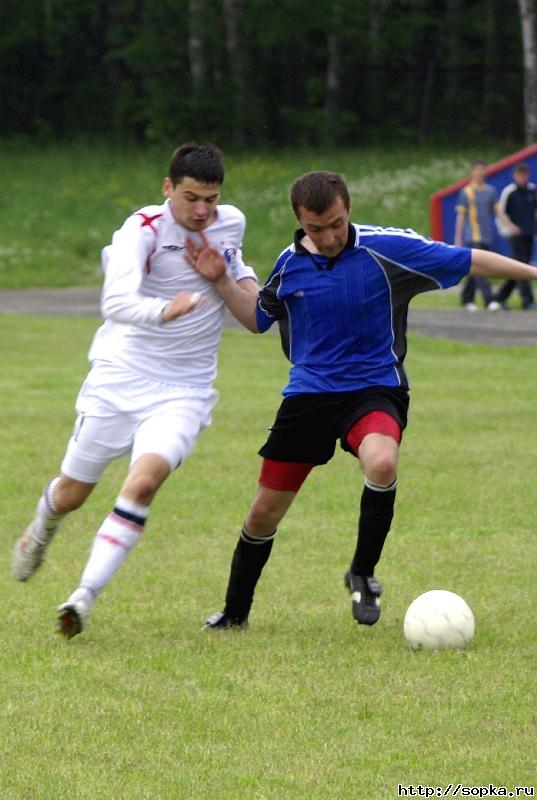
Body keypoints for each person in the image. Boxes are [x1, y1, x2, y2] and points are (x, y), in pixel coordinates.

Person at [185, 170, 537, 630]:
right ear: (300, 221)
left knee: (382, 463)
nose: (329, 236)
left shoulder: (385, 249)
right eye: (316, 228)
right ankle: (234, 613)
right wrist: (221, 281)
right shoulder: (289, 264)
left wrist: (532, 273)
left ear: (348, 209)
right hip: (308, 395)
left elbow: (470, 259)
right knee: (264, 511)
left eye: (336, 223)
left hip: (374, 389)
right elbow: (257, 317)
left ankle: (363, 572)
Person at [12, 143, 258, 638]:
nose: (202, 211)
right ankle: (44, 523)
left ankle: (82, 598)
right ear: (168, 189)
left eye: (210, 199)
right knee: (72, 494)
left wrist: (232, 280)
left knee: (143, 483)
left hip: (184, 391)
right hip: (119, 379)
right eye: (191, 198)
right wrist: (162, 311)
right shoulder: (140, 229)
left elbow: (251, 309)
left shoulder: (231, 224)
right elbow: (115, 301)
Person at [454, 159, 501, 312]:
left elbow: (498, 211)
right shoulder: (466, 191)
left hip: (486, 236)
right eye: (477, 169)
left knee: (474, 269)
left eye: (482, 169)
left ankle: (466, 299)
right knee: (481, 268)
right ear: (472, 172)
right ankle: (489, 300)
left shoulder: (490, 191)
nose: (480, 172)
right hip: (472, 236)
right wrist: (458, 238)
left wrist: (511, 225)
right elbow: (460, 217)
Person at [494, 162, 537, 309]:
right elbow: (500, 211)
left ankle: (500, 297)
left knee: (519, 268)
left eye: (524, 175)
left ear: (528, 176)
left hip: (529, 234)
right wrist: (510, 227)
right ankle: (527, 299)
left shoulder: (533, 191)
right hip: (515, 235)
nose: (521, 178)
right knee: (522, 265)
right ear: (514, 176)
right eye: (519, 175)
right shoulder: (510, 191)